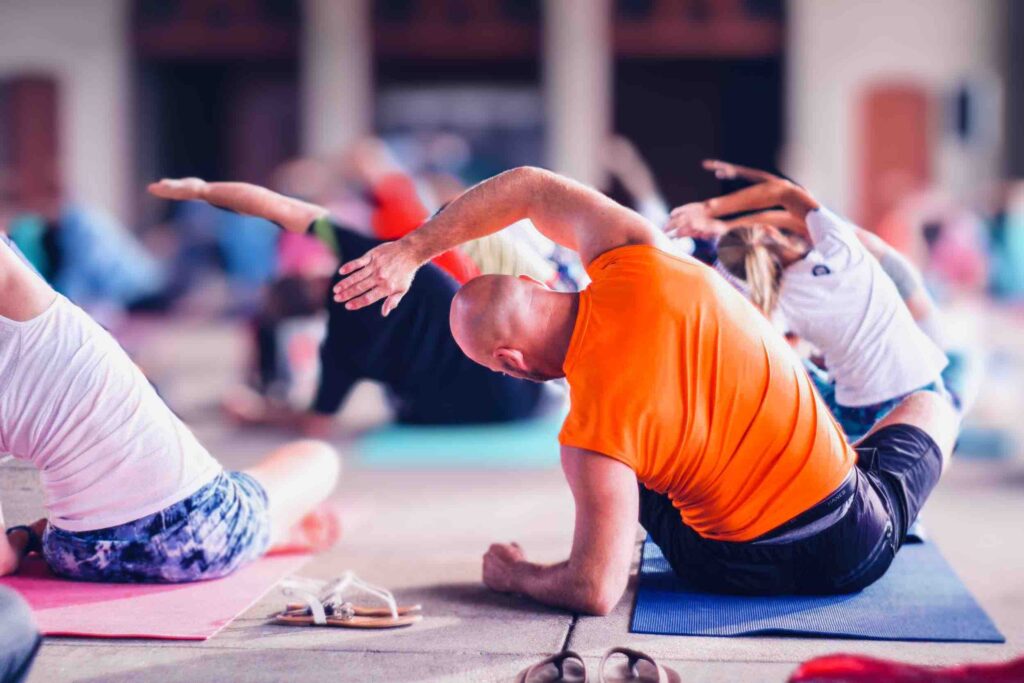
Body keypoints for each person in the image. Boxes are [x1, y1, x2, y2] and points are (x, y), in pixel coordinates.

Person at [329, 165, 959, 613]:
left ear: (509, 359)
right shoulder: (638, 253)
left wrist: (516, 575)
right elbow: (529, 186)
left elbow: (594, 591)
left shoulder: (589, 441)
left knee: (626, 480)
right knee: (931, 401)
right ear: (536, 282)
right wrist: (411, 251)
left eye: (498, 369)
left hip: (730, 569)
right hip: (854, 537)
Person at [0, 231, 341, 583]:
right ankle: (267, 530)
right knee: (316, 456)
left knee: (243, 487)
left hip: (80, 557)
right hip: (196, 535)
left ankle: (266, 528)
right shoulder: (33, 311)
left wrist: (24, 537)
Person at [147, 178, 555, 435]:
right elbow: (279, 208)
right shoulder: (362, 251)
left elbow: (316, 424)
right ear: (309, 272)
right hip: (526, 386)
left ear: (306, 318)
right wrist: (202, 189)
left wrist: (256, 417)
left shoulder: (340, 351)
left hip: (470, 415)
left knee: (399, 406)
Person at [665, 161, 954, 439]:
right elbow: (787, 195)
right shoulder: (841, 246)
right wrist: (711, 213)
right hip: (928, 383)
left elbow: (761, 361)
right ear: (768, 232)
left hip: (865, 413)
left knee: (783, 365)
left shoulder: (777, 303)